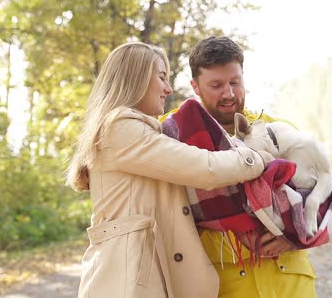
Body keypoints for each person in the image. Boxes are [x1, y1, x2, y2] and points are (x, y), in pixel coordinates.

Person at [66, 42, 275, 298]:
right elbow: (205, 168)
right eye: (162, 77)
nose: (168, 88)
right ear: (137, 77)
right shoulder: (120, 128)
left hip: (139, 277)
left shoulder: (138, 130)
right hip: (127, 282)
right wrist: (259, 158)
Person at [165, 36, 332, 298]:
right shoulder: (174, 133)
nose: (229, 93)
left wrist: (295, 233)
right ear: (195, 87)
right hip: (225, 285)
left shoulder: (277, 129)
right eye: (216, 85)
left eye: (235, 82)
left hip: (292, 284)